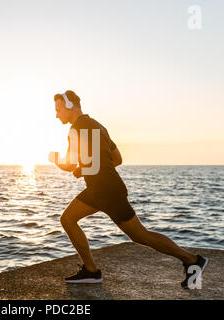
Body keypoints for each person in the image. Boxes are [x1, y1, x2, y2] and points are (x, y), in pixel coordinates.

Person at [51, 90, 208, 288]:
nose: (56, 115)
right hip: (109, 188)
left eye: (58, 110)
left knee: (69, 219)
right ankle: (193, 261)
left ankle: (92, 271)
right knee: (139, 234)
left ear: (69, 106)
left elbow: (69, 163)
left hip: (103, 190)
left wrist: (55, 160)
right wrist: (88, 169)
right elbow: (117, 159)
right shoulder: (99, 126)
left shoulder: (75, 129)